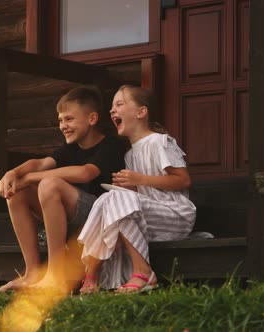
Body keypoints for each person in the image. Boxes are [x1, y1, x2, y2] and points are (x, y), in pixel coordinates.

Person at [0, 86, 126, 292]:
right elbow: (39, 163)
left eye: (69, 119)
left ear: (92, 119)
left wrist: (30, 178)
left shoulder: (112, 145)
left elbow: (86, 173)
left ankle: (56, 276)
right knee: (17, 191)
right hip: (75, 220)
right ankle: (32, 273)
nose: (63, 126)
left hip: (100, 220)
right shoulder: (70, 148)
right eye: (60, 120)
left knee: (50, 184)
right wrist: (13, 173)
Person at [77, 85, 196, 294]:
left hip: (175, 215)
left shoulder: (160, 142)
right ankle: (92, 274)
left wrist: (140, 179)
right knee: (106, 199)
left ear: (141, 112)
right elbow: (142, 195)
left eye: (120, 104)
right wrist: (132, 187)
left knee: (114, 198)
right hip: (148, 217)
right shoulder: (130, 155)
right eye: (112, 107)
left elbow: (183, 180)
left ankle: (143, 272)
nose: (112, 110)